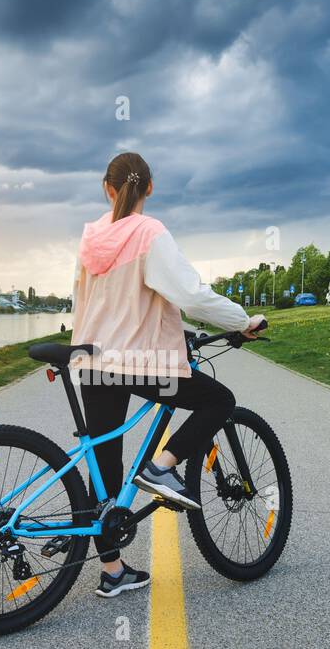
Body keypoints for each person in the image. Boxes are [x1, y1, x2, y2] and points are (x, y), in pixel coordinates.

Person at [71, 151, 263, 599]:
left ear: (108, 189)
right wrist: (241, 321)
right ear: (150, 188)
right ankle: (163, 466)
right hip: (138, 364)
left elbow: (86, 304)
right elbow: (190, 294)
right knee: (219, 401)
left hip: (95, 363)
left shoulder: (89, 240)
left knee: (106, 468)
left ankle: (113, 570)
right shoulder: (148, 232)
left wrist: (74, 353)